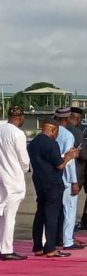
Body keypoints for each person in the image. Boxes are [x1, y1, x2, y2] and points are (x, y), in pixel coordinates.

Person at [28, 119, 79, 257]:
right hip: (52, 183)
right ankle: (50, 247)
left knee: (40, 214)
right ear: (54, 130)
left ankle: (37, 246)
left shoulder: (33, 143)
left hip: (39, 181)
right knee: (52, 215)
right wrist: (69, 156)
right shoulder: (51, 144)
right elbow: (59, 165)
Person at [0, 106, 30, 260]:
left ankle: (2, 247)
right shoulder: (17, 134)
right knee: (9, 217)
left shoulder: (1, 129)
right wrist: (25, 169)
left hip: (1, 178)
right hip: (13, 179)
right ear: (20, 117)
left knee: (2, 215)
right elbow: (24, 160)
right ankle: (6, 249)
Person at [53, 107, 82, 251]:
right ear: (67, 118)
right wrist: (74, 181)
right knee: (69, 210)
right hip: (66, 178)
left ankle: (53, 240)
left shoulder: (50, 133)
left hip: (53, 176)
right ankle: (68, 241)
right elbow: (69, 161)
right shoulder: (67, 135)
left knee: (54, 211)